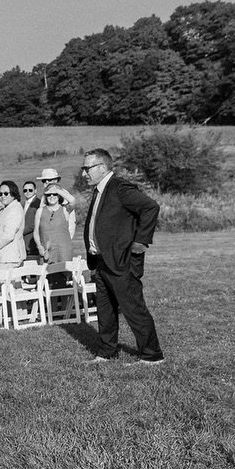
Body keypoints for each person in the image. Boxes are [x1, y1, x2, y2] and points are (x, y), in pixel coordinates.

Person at [81, 148, 164, 364]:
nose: (84, 173)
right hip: (101, 262)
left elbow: (150, 208)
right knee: (105, 311)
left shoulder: (119, 187)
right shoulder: (99, 190)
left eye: (87, 168)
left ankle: (152, 355)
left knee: (133, 309)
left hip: (121, 261)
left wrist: (140, 242)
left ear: (101, 167)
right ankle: (106, 352)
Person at [0, 181, 26, 270]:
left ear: (13, 193)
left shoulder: (14, 209)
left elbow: (8, 236)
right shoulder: (7, 208)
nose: (3, 196)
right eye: (0, 194)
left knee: (7, 283)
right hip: (4, 258)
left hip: (9, 259)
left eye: (6, 193)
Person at [21, 180, 41, 259]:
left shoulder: (38, 203)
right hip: (23, 243)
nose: (27, 192)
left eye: (30, 190)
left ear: (35, 190)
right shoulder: (22, 204)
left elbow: (35, 223)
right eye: (25, 190)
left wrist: (21, 231)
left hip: (32, 242)